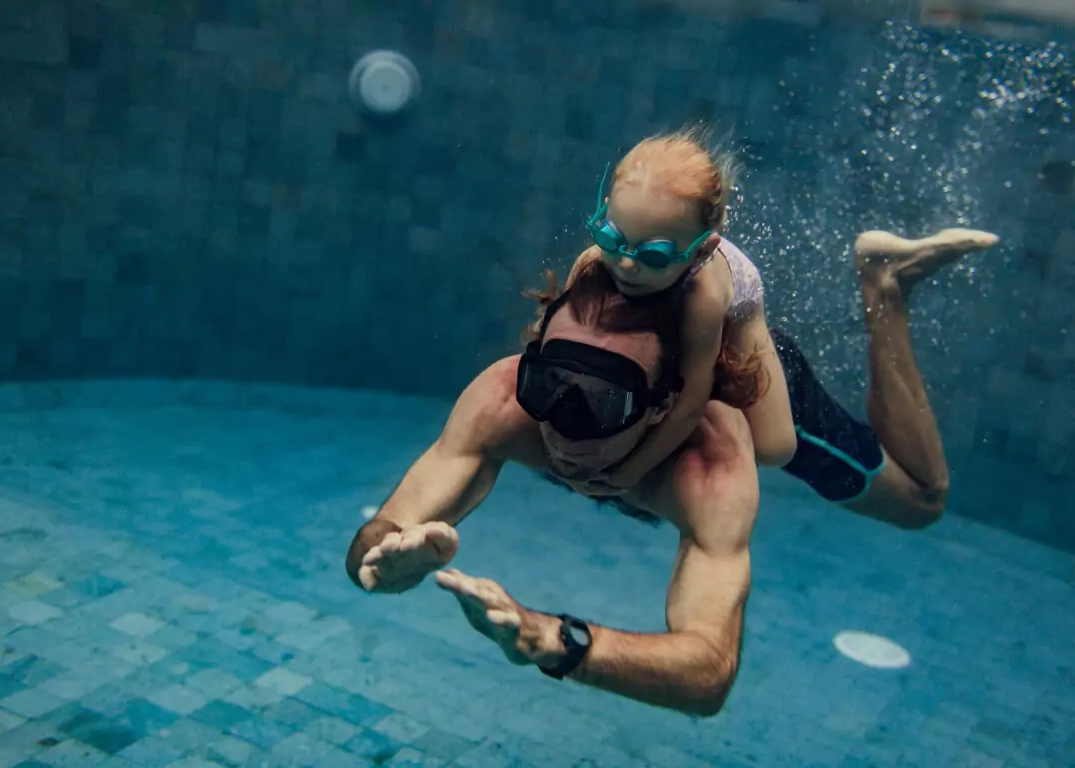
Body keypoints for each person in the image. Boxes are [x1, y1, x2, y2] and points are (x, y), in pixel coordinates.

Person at [344, 227, 998, 716]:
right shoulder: (505, 400)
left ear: (664, 405)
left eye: (603, 400)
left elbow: (708, 672)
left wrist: (558, 641)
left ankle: (883, 282)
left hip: (756, 387)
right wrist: (383, 557)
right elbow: (381, 537)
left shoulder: (711, 462)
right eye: (551, 383)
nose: (564, 426)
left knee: (921, 501)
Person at [563, 128, 797, 496]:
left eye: (653, 255)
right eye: (611, 237)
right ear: (605, 212)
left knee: (776, 447)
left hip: (736, 313)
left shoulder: (704, 295)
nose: (625, 265)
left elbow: (691, 402)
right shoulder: (592, 264)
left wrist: (630, 472)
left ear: (703, 251)